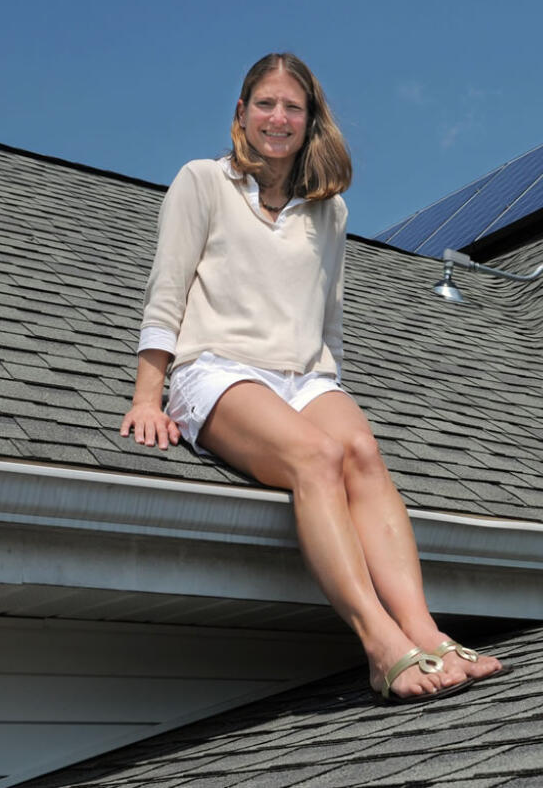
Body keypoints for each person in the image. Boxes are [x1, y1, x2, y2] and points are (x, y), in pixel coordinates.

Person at [120, 52, 501, 704]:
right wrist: (147, 395)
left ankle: (425, 631)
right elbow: (167, 289)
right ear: (241, 114)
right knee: (316, 457)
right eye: (264, 104)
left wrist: (329, 392)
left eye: (291, 107)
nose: (278, 117)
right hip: (215, 368)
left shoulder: (331, 213)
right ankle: (382, 645)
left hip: (303, 375)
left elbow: (330, 320)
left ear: (309, 120)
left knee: (360, 451)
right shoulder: (201, 181)